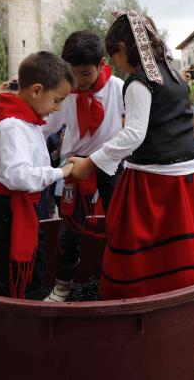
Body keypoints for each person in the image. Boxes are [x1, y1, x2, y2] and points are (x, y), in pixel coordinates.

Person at [68, 10, 194, 300]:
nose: (115, 64)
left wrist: (90, 162)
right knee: (182, 248)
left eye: (114, 56)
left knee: (132, 237)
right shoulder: (172, 74)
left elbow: (134, 134)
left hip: (158, 180)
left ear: (123, 49)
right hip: (192, 174)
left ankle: (139, 297)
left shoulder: (139, 82)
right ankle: (184, 295)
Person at [40, 31, 125, 302]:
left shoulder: (118, 88)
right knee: (69, 230)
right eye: (73, 74)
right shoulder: (66, 93)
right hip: (76, 166)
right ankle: (63, 284)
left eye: (85, 74)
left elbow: (132, 129)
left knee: (120, 225)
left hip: (111, 163)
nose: (79, 81)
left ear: (102, 63)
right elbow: (46, 127)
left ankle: (119, 281)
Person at [0, 51, 75, 299]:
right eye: (57, 100)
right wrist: (62, 171)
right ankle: (20, 318)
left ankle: (32, 303)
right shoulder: (13, 126)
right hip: (9, 209)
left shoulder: (27, 122)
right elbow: (19, 176)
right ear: (36, 91)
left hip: (22, 206)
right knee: (13, 268)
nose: (58, 108)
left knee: (34, 261)